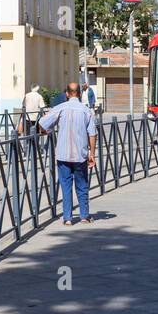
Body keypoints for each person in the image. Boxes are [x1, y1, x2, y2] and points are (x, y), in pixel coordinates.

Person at [38, 82, 97, 225]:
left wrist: (47, 131)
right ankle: (84, 216)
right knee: (82, 185)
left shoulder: (60, 108)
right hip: (80, 154)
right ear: (79, 93)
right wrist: (92, 154)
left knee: (66, 185)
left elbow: (42, 123)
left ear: (67, 93)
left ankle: (68, 219)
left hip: (63, 154)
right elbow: (92, 134)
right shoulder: (86, 111)